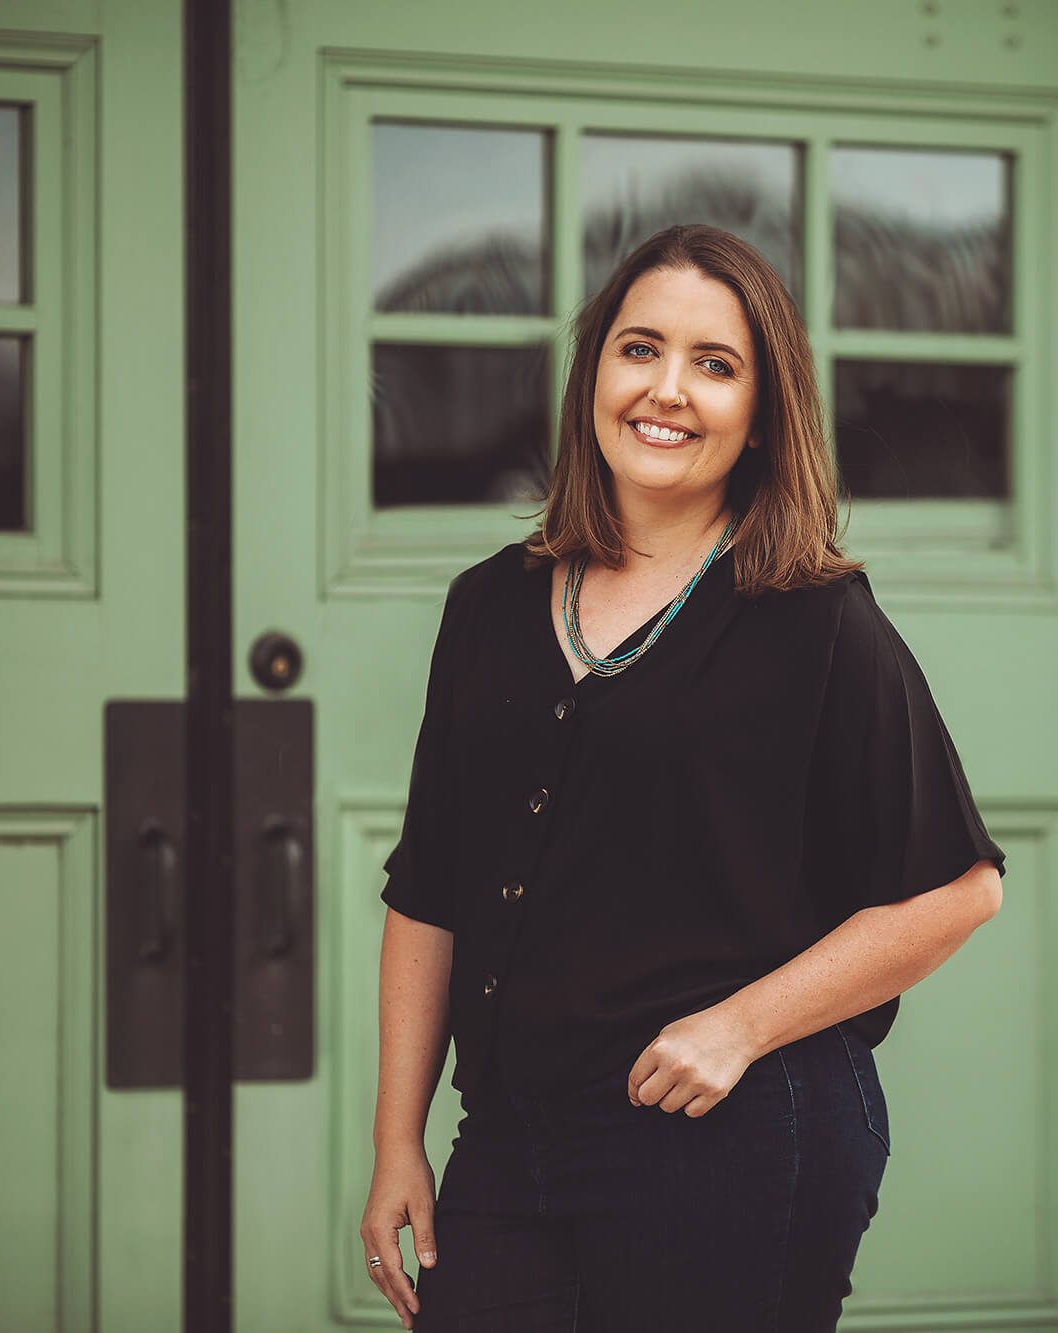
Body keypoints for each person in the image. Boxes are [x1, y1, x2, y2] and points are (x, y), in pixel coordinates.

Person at [359, 223, 1007, 1332]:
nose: (667, 390)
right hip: (509, 1142)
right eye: (639, 348)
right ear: (593, 374)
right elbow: (429, 891)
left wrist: (739, 1028)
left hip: (734, 1141)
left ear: (763, 414)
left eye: (716, 365)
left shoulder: (814, 619)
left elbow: (958, 889)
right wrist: (393, 1142)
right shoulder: (489, 608)